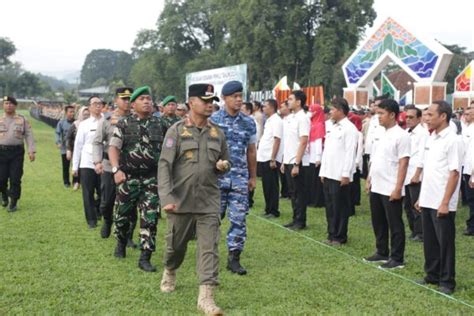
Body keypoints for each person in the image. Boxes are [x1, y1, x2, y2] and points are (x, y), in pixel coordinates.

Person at [158, 83, 230, 315]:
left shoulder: (217, 133)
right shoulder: (176, 131)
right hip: (180, 201)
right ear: (191, 103)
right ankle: (170, 270)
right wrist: (166, 197)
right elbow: (164, 166)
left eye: (212, 101)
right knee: (175, 247)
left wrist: (222, 167)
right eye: (205, 100)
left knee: (209, 247)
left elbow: (224, 162)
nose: (210, 105)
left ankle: (206, 297)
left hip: (208, 200)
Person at [108, 86, 165, 272]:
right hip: (128, 178)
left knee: (150, 218)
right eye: (142, 99)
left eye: (149, 98)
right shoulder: (124, 124)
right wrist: (116, 169)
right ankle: (121, 242)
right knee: (122, 216)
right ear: (133, 104)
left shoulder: (161, 124)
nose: (147, 102)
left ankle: (145, 257)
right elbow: (113, 148)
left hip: (151, 179)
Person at [210, 80, 257, 275]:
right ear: (224, 99)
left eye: (240, 96)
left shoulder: (248, 122)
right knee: (212, 219)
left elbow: (251, 151)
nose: (238, 100)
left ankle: (234, 258)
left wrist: (253, 177)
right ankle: (208, 256)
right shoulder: (213, 120)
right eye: (234, 97)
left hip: (239, 178)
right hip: (216, 179)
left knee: (239, 219)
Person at [417, 100, 463, 295]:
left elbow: (454, 173)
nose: (426, 119)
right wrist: (421, 197)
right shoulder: (431, 138)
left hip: (442, 201)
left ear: (443, 116)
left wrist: (445, 202)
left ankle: (446, 280)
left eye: (430, 115)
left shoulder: (453, 140)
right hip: (428, 197)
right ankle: (432, 274)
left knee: (444, 242)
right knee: (430, 241)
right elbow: (429, 171)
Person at [365, 99, 410, 269]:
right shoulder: (381, 133)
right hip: (377, 184)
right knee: (378, 220)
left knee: (394, 223)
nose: (378, 117)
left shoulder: (402, 135)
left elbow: (403, 163)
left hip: (391, 185)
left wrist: (398, 188)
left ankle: (397, 258)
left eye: (381, 113)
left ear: (392, 115)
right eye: (377, 113)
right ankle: (381, 251)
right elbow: (375, 159)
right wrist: (369, 178)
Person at [92, 87, 135, 241]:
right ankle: (108, 220)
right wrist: (97, 162)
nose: (127, 102)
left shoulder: (136, 119)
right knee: (107, 201)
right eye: (124, 99)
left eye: (130, 98)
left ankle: (128, 236)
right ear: (116, 100)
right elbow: (97, 142)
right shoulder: (107, 119)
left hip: (130, 166)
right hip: (109, 166)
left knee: (130, 203)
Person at [319, 97, 358, 245]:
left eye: (333, 109)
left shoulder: (349, 129)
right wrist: (323, 171)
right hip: (329, 172)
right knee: (330, 205)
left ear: (341, 111)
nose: (330, 112)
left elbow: (349, 153)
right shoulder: (332, 126)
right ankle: (331, 233)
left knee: (340, 206)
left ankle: (340, 236)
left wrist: (346, 174)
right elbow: (327, 151)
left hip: (340, 174)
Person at [281, 90, 311, 230]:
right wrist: (283, 161)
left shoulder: (302, 118)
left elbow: (303, 141)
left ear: (299, 102)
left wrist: (296, 163)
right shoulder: (290, 118)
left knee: (299, 193)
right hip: (288, 160)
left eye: (291, 99)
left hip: (297, 161)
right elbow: (288, 142)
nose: (288, 101)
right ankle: (295, 218)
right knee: (292, 192)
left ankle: (300, 221)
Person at [0, 96, 36, 212]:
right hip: (1, 152)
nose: (8, 105)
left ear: (15, 106)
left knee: (15, 178)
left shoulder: (22, 119)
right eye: (6, 103)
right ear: (3, 105)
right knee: (2, 178)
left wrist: (31, 150)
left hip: (17, 153)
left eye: (11, 103)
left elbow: (29, 135)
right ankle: (4, 195)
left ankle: (13, 202)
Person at [72, 97, 103, 228]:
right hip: (87, 163)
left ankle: (98, 210)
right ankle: (91, 220)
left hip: (103, 162)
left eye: (99, 103)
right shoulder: (84, 125)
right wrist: (75, 166)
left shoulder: (106, 122)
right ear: (89, 107)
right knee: (88, 192)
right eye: (94, 104)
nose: (97, 106)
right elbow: (78, 146)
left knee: (104, 192)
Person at [403, 105, 429, 242]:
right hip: (406, 174)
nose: (408, 119)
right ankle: (414, 230)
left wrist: (417, 174)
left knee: (416, 205)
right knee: (407, 205)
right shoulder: (407, 132)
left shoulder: (422, 134)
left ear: (419, 118)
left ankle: (420, 232)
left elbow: (422, 156)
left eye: (411, 117)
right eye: (406, 117)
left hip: (415, 174)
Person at [257, 99, 283, 218]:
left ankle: (273, 210)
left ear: (272, 107)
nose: (263, 108)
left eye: (265, 106)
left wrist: (273, 158)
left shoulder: (277, 120)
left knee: (272, 185)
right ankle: (268, 208)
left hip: (270, 157)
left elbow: (277, 139)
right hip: (263, 157)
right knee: (266, 184)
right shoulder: (269, 120)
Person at [66, 107, 89, 190]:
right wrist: (69, 149)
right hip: (77, 149)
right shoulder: (75, 124)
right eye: (84, 114)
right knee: (76, 166)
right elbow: (69, 137)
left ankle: (83, 182)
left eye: (87, 114)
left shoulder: (91, 124)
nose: (86, 116)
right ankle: (76, 182)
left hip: (87, 151)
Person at [308, 103, 325, 207]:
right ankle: (313, 199)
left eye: (312, 110)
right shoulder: (312, 123)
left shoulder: (319, 125)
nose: (310, 113)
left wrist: (318, 157)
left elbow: (319, 142)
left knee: (317, 181)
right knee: (312, 180)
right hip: (311, 156)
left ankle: (318, 201)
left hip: (316, 157)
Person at [55, 105, 75, 188]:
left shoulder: (76, 123)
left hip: (74, 148)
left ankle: (76, 182)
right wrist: (58, 142)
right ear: (66, 113)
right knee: (65, 166)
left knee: (75, 166)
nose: (72, 113)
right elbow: (57, 133)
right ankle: (66, 182)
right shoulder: (61, 122)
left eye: (73, 112)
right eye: (70, 112)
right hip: (64, 148)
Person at [462, 106, 474, 235]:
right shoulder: (467, 128)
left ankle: (472, 226)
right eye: (465, 113)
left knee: (472, 199)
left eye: (469, 114)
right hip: (466, 168)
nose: (466, 116)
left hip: (471, 170)